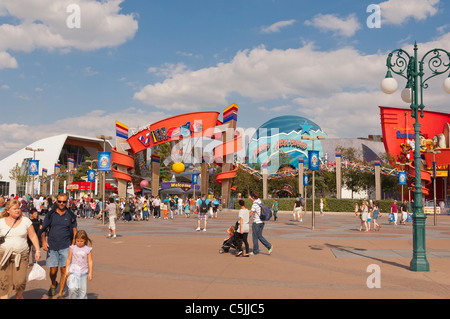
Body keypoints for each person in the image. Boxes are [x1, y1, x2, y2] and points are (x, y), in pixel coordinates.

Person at [39, 193, 77, 299]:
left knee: (64, 270)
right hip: (52, 246)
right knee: (53, 271)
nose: (61, 203)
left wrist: (73, 245)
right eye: (60, 201)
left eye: (64, 202)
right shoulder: (50, 214)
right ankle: (53, 284)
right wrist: (43, 241)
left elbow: (74, 231)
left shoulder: (71, 215)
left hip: (66, 246)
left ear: (67, 202)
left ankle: (60, 293)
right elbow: (44, 229)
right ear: (56, 201)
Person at [0, 200, 41, 299]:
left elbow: (33, 236)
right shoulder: (1, 222)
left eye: (18, 208)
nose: (17, 210)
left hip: (21, 255)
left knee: (20, 282)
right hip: (3, 256)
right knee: (4, 282)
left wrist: (38, 250)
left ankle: (19, 296)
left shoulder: (25, 221)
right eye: (15, 209)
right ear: (8, 210)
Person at [65, 230, 93, 299]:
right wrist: (66, 270)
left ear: (85, 240)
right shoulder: (72, 248)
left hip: (83, 273)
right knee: (72, 289)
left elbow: (90, 261)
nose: (79, 243)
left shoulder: (88, 249)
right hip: (73, 272)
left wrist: (90, 273)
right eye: (77, 241)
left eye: (81, 241)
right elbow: (68, 259)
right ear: (75, 240)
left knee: (83, 291)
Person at [249, 191, 273, 255]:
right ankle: (269, 246)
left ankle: (255, 251)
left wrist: (245, 219)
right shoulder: (260, 201)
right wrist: (251, 198)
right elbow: (255, 202)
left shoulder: (254, 205)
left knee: (255, 237)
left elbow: (251, 213)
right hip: (262, 222)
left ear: (253, 197)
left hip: (256, 222)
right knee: (259, 236)